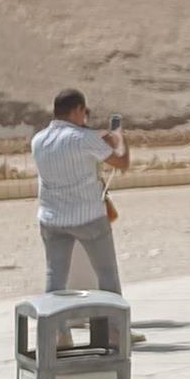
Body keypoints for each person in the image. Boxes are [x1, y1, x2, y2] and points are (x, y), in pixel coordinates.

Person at [31, 90, 129, 294]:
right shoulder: (83, 138)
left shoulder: (38, 140)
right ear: (77, 109)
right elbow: (121, 162)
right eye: (84, 112)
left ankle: (53, 314)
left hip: (51, 218)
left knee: (55, 275)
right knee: (106, 273)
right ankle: (112, 315)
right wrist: (119, 137)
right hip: (88, 217)